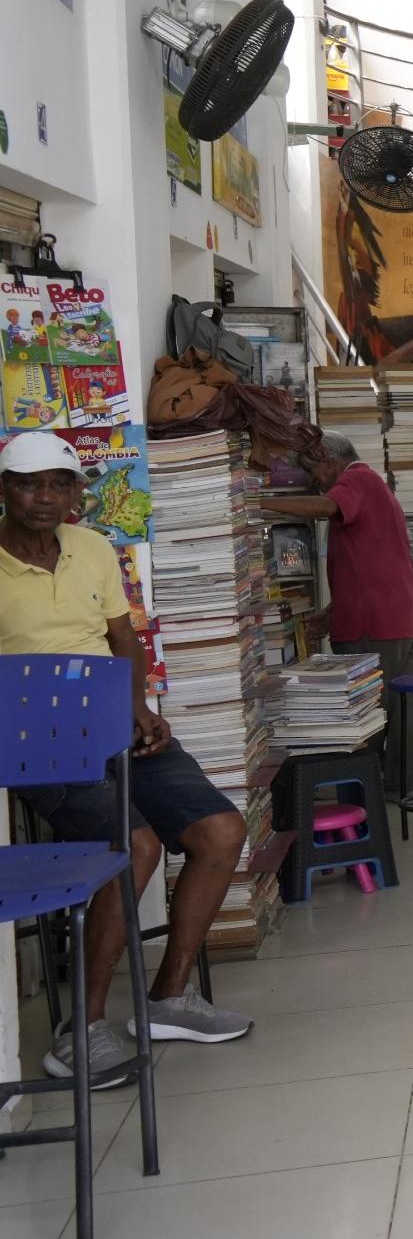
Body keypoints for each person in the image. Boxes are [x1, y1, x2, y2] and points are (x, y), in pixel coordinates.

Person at [0, 432, 253, 1083]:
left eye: (59, 484)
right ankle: (78, 1030)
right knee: (136, 845)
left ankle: (169, 997)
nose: (45, 497)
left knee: (222, 829)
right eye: (29, 483)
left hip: (111, 722)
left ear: (77, 494)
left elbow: (123, 640)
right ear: (3, 489)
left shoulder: (91, 549)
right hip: (38, 742)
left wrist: (138, 706)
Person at [260, 432, 413, 775]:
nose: (316, 483)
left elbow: (327, 507)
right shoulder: (371, 484)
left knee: (363, 714)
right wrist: (333, 611)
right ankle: (392, 788)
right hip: (394, 616)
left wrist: (257, 503)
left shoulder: (357, 478)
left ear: (326, 456)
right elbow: (372, 565)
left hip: (377, 622)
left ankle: (366, 794)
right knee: (393, 708)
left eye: (314, 472)